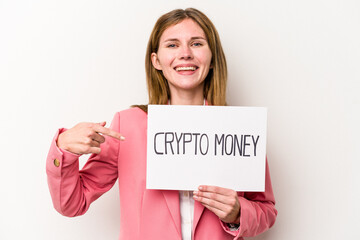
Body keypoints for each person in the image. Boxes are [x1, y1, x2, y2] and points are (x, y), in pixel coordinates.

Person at [46, 8, 277, 240]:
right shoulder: (128, 126)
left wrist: (238, 213)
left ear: (213, 57)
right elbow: (72, 204)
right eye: (172, 45)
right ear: (156, 61)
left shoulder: (239, 128)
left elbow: (266, 210)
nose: (185, 53)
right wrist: (63, 149)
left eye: (197, 44)